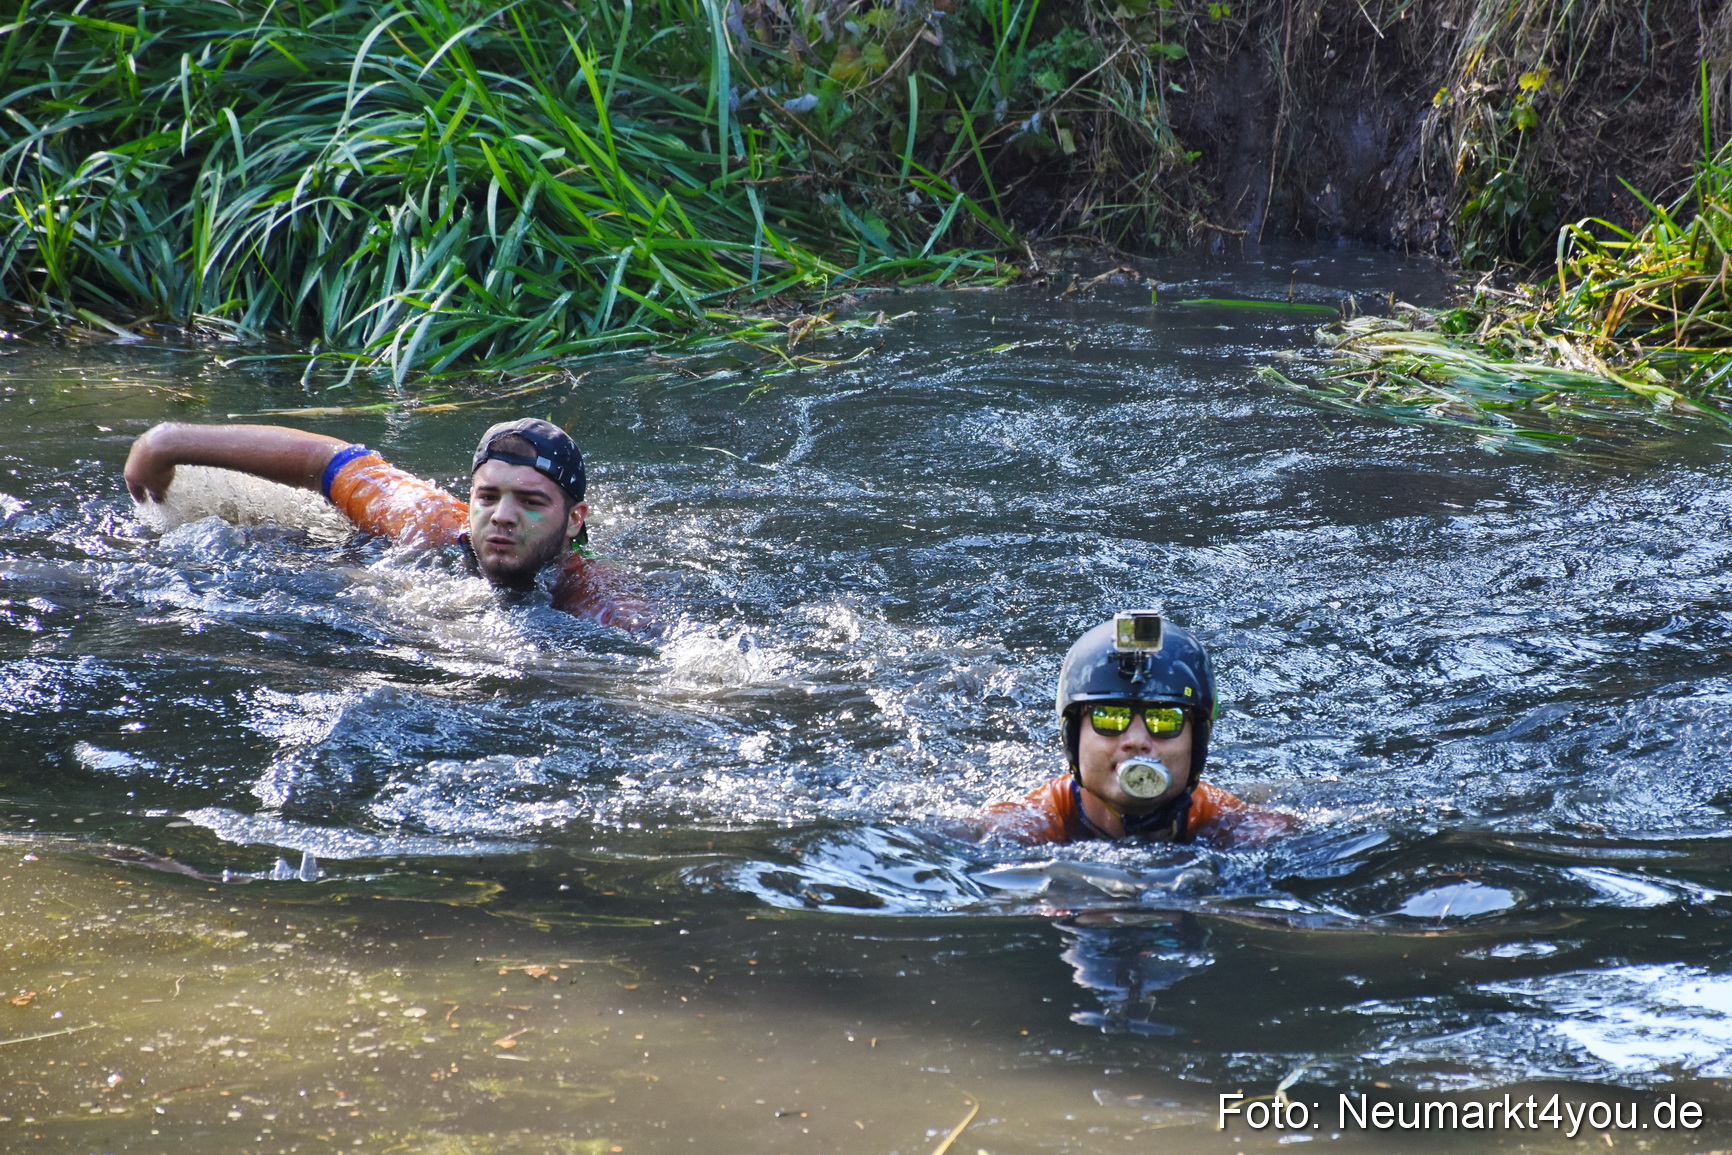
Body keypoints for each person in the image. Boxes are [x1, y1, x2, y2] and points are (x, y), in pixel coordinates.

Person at [123, 418, 656, 632]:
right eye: (488, 496)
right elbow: (326, 460)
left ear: (574, 521)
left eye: (531, 503)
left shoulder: (597, 599)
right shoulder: (429, 521)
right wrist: (163, 442)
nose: (502, 516)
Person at [977, 611, 1293, 847]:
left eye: (1164, 720)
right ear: (1073, 736)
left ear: (1196, 742)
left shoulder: (1236, 825)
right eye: (1110, 717)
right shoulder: (1027, 825)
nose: (1137, 741)